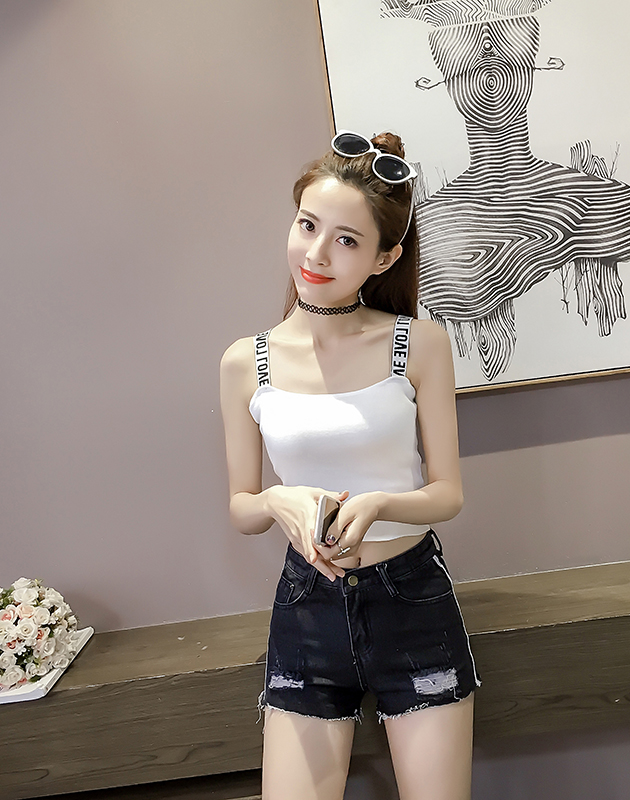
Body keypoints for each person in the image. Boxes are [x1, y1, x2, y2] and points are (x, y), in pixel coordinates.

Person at [220, 130, 479, 800]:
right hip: (308, 607)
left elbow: (447, 493)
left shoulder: (418, 344)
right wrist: (276, 500)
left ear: (384, 256)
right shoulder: (245, 362)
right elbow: (243, 507)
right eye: (308, 225)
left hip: (411, 599)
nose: (315, 254)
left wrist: (380, 503)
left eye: (346, 240)